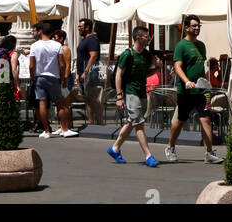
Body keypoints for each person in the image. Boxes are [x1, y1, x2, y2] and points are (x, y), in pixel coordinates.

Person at [165, 15, 223, 164]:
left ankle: (209, 153)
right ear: (186, 28)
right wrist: (187, 81)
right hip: (186, 91)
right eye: (194, 26)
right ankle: (170, 147)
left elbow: (200, 67)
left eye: (198, 26)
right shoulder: (181, 46)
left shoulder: (202, 45)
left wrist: (205, 83)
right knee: (181, 120)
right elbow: (177, 67)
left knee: (206, 119)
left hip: (202, 90)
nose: (197, 28)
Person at [107, 27, 160, 166]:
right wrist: (119, 96)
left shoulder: (146, 55)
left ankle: (115, 148)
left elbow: (144, 74)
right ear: (138, 37)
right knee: (139, 124)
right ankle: (148, 156)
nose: (148, 39)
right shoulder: (128, 54)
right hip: (130, 92)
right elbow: (119, 75)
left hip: (142, 92)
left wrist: (157, 67)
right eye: (146, 37)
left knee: (132, 121)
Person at [29, 21, 66, 138]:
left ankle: (46, 130)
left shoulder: (34, 46)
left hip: (39, 76)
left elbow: (31, 65)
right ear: (51, 33)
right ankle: (64, 128)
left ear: (41, 32)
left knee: (42, 102)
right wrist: (62, 76)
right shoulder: (57, 45)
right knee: (59, 103)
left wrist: (32, 76)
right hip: (53, 76)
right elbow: (62, 64)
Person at [76, 18, 104, 125]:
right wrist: (79, 74)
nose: (79, 28)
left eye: (80, 27)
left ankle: (100, 122)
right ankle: (91, 122)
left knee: (92, 98)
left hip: (91, 74)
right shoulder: (85, 40)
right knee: (88, 99)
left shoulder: (92, 39)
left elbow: (93, 56)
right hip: (84, 74)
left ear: (87, 28)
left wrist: (86, 71)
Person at [52, 29, 77, 137]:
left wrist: (65, 79)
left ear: (61, 39)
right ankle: (62, 126)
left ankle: (66, 127)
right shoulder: (58, 49)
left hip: (65, 79)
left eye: (56, 38)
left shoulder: (65, 49)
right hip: (60, 78)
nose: (54, 39)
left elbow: (67, 65)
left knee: (65, 103)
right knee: (60, 103)